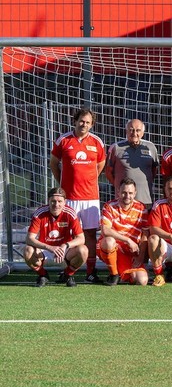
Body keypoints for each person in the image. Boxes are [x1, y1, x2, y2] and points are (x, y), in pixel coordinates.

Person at [49, 108, 105, 284]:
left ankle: (90, 272)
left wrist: (86, 180)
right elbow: (53, 163)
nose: (84, 124)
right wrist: (64, 185)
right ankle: (68, 271)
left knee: (89, 234)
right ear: (75, 121)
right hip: (70, 198)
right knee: (68, 234)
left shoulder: (97, 142)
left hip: (90, 198)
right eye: (81, 121)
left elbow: (100, 166)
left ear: (92, 125)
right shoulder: (63, 140)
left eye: (88, 122)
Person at [23, 187, 87, 287]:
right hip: (44, 249)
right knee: (28, 250)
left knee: (83, 250)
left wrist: (65, 245)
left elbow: (81, 238)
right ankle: (43, 275)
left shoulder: (70, 213)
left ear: (65, 202)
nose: (56, 205)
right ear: (48, 201)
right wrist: (50, 247)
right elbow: (29, 238)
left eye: (59, 201)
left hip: (65, 251)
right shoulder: (39, 213)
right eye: (53, 201)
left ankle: (67, 275)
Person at [98, 178, 150, 286]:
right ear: (118, 191)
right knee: (109, 242)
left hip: (130, 251)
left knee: (142, 281)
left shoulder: (141, 208)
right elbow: (105, 230)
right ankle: (114, 275)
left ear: (135, 193)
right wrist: (127, 240)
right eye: (124, 192)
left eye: (130, 193)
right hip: (113, 247)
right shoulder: (109, 206)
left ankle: (122, 273)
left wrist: (140, 257)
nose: (127, 196)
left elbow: (145, 234)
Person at [105, 118, 159, 207]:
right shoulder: (116, 147)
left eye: (138, 130)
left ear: (143, 132)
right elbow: (108, 172)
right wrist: (119, 186)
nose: (134, 133)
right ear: (126, 131)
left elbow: (154, 171)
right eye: (131, 130)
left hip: (145, 199)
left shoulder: (151, 147)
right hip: (123, 200)